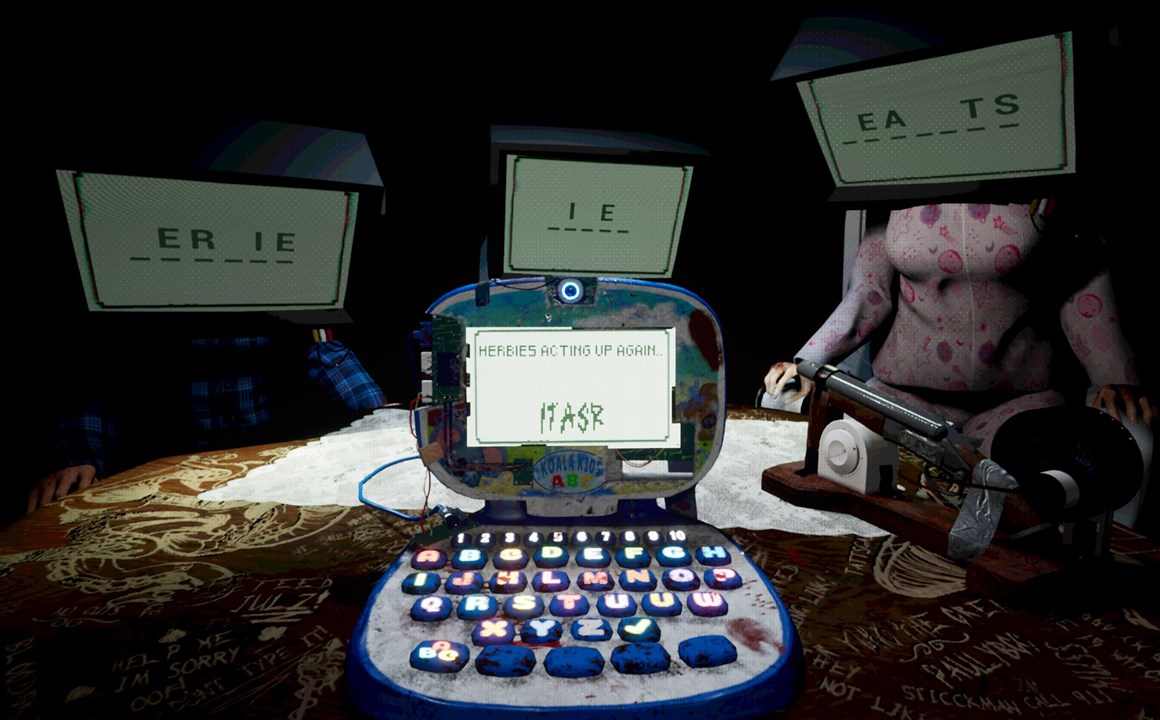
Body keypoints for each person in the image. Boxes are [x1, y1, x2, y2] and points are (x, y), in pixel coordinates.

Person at [765, 202, 1153, 457]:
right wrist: (809, 362)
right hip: (901, 399)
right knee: (796, 410)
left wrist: (1114, 376)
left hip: (1018, 404)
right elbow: (868, 295)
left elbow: (1082, 283)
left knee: (1110, 450)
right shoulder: (896, 198)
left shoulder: (1038, 195)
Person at [23, 325, 388, 517]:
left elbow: (324, 349)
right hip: (163, 457)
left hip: (266, 451)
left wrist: (382, 418)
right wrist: (77, 455)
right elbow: (96, 373)